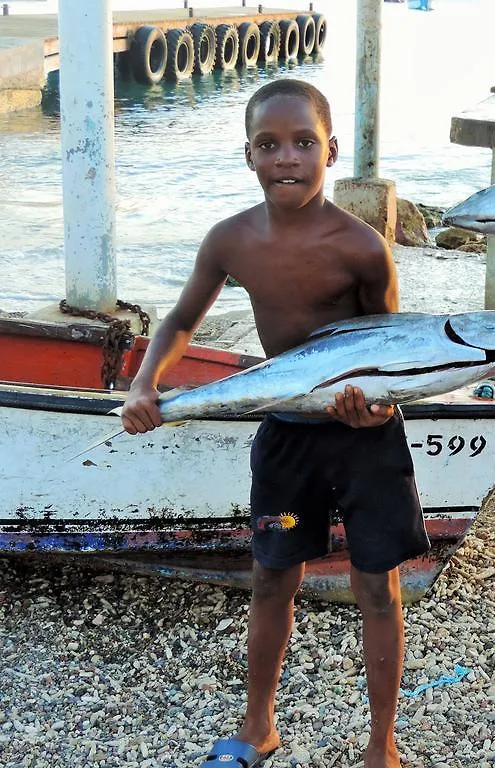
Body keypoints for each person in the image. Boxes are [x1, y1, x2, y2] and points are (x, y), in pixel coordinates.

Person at [120, 78, 429, 768]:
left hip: (364, 439)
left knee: (376, 585)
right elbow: (178, 320)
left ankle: (383, 745)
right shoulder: (231, 240)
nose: (286, 157)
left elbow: (393, 350)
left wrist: (375, 405)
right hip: (287, 435)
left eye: (302, 143)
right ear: (249, 156)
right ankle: (258, 724)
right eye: (269, 144)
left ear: (331, 152)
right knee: (272, 576)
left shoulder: (362, 248)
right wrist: (147, 383)